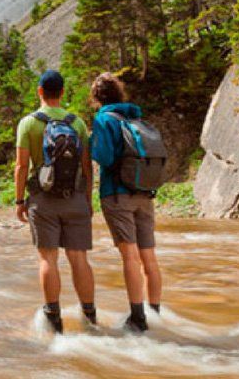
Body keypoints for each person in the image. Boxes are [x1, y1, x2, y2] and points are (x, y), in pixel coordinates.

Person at [14, 70, 97, 334]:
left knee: (47, 259)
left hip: (43, 199)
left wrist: (19, 200)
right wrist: (87, 199)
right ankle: (90, 317)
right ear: (62, 92)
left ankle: (54, 321)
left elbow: (21, 166)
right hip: (75, 198)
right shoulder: (78, 124)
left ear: (39, 91)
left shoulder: (28, 124)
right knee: (79, 258)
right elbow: (87, 167)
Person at [88, 72, 162, 333]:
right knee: (148, 256)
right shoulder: (136, 118)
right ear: (120, 94)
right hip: (144, 193)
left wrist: (91, 144)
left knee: (129, 256)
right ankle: (155, 314)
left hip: (117, 194)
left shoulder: (104, 120)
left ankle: (137, 318)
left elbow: (105, 158)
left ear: (96, 98)